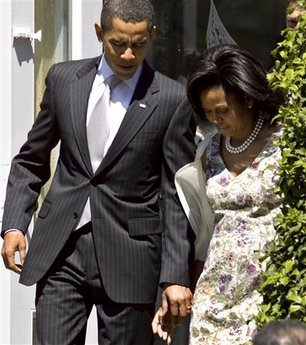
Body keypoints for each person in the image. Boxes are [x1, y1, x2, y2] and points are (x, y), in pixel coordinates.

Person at [0, 0, 196, 344]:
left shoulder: (170, 98)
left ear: (151, 35)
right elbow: (32, 159)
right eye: (117, 43)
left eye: (138, 44)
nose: (127, 55)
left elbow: (175, 194)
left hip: (131, 257)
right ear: (99, 33)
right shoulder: (64, 80)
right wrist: (14, 223)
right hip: (61, 250)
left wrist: (175, 275)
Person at [153, 44, 284, 345]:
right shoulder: (208, 151)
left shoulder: (283, 143)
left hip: (267, 290)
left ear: (247, 98)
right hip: (216, 296)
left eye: (223, 111)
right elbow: (207, 233)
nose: (216, 119)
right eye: (208, 112)